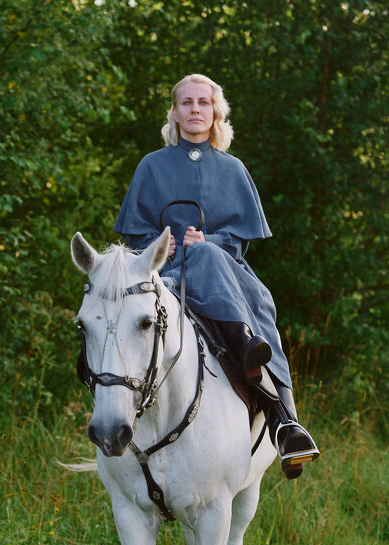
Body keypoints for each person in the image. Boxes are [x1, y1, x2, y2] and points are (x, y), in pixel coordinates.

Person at [114, 73, 318, 478]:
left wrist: (210, 240)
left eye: (203, 103)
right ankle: (111, 407)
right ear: (174, 112)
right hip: (166, 275)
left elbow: (240, 240)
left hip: (225, 271)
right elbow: (134, 237)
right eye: (186, 103)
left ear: (215, 112)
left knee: (250, 293)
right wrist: (161, 245)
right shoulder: (151, 166)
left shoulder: (234, 168)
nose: (194, 110)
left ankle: (285, 421)